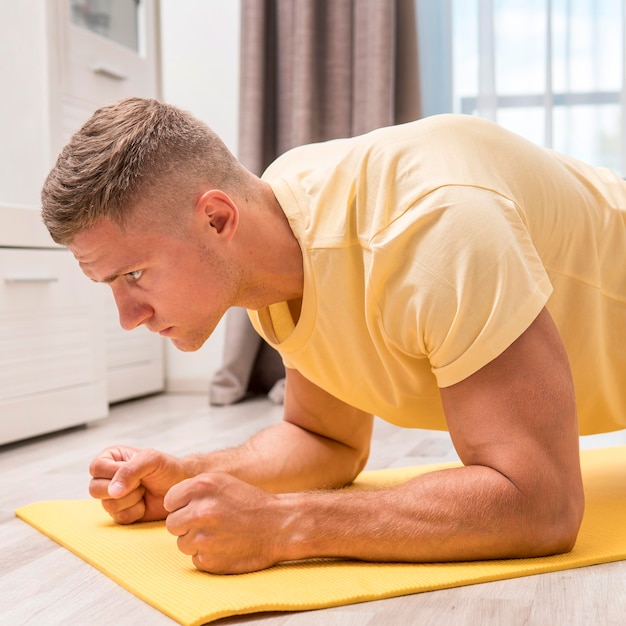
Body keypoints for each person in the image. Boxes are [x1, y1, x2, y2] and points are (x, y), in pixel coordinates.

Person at [41, 97, 626, 575]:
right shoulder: (276, 232)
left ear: (216, 219)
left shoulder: (434, 230)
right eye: (109, 284)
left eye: (133, 274)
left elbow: (540, 503)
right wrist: (186, 473)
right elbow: (325, 440)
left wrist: (284, 524)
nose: (127, 315)